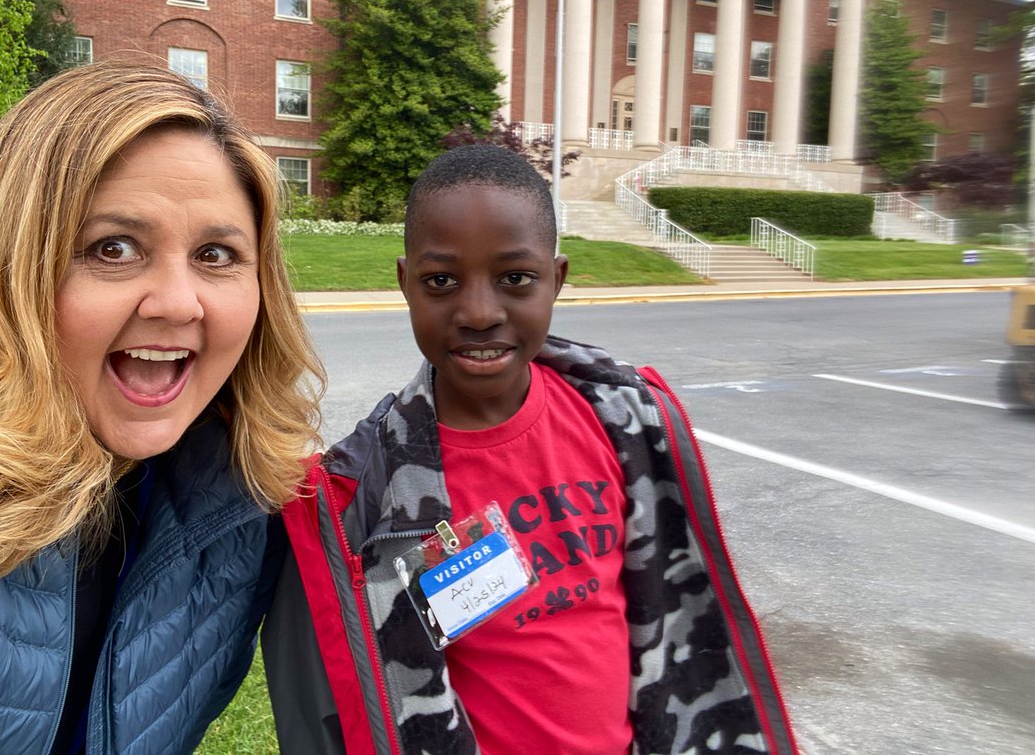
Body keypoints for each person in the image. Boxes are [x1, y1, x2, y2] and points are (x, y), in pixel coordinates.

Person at [264, 144, 797, 754]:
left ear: (557, 279)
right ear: (405, 284)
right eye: (442, 281)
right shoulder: (371, 489)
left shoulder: (625, 423)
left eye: (515, 278)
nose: (480, 312)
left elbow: (669, 611)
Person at [0, 62, 322, 753]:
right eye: (112, 249)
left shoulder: (235, 502)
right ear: (12, 262)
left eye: (215, 253)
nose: (177, 302)